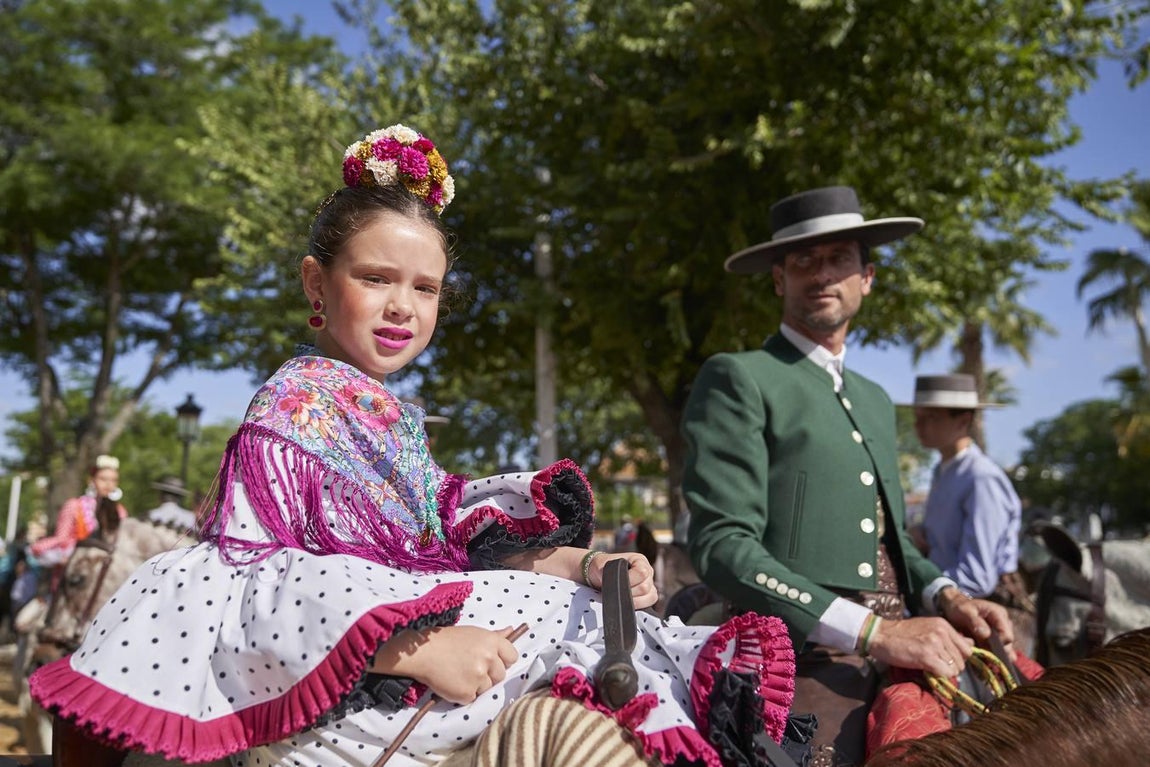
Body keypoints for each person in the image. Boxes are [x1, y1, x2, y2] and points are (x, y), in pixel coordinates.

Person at [31, 125, 798, 767]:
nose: (403, 306)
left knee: (598, 624)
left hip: (430, 659)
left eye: (425, 288)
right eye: (376, 277)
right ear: (315, 284)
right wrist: (415, 651)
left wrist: (592, 563)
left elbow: (444, 539)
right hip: (352, 687)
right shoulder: (293, 409)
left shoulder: (387, 418)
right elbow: (246, 578)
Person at [681, 186, 1014, 767]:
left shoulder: (876, 399)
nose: (822, 275)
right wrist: (874, 634)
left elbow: (894, 541)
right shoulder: (739, 377)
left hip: (904, 637)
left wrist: (949, 594)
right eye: (803, 262)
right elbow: (722, 546)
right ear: (778, 280)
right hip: (800, 655)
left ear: (867, 278)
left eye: (839, 260)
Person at [908, 374, 1033, 651]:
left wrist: (928, 593)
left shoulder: (981, 477)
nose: (919, 426)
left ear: (963, 421)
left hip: (978, 614)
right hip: (946, 602)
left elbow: (977, 576)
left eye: (931, 418)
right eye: (918, 416)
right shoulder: (943, 471)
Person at [30, 454, 127, 567]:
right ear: (91, 480)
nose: (109, 484)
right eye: (103, 479)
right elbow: (61, 537)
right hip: (76, 562)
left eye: (113, 480)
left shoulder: (120, 511)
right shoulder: (74, 506)